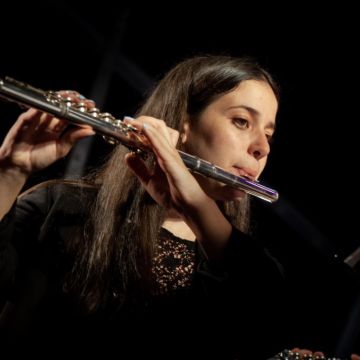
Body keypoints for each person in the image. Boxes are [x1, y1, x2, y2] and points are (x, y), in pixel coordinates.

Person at [0, 55, 358, 359]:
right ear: (184, 125)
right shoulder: (60, 207)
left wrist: (196, 206)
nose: (261, 147)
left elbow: (266, 323)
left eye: (269, 134)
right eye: (241, 121)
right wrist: (10, 172)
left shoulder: (243, 269)